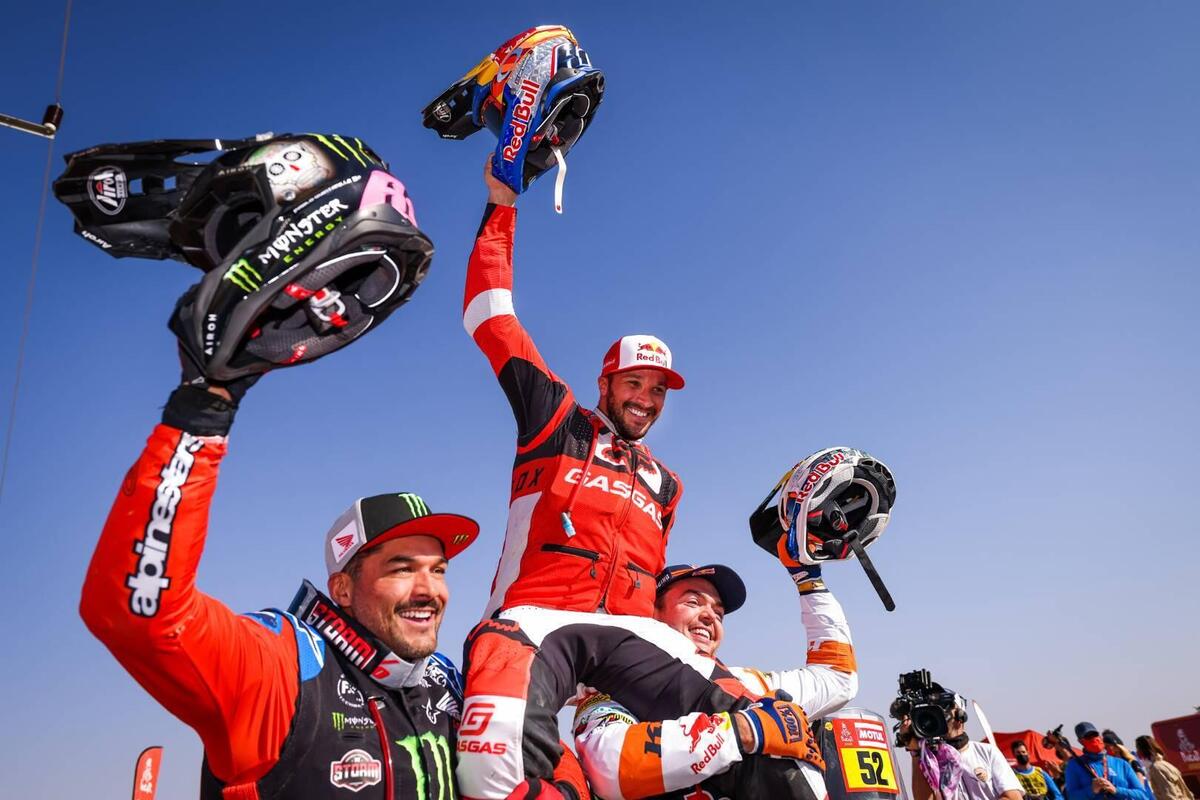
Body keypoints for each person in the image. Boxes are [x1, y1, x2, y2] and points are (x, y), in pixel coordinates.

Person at [455, 163, 817, 799]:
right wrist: (501, 201)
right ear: (606, 383)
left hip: (634, 639)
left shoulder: (666, 484)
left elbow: (651, 581)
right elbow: (491, 317)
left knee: (782, 736)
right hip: (534, 622)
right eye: (634, 383)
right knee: (493, 766)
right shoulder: (556, 422)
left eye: (658, 390)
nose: (646, 399)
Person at [78, 364, 491, 799]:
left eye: (438, 569)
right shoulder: (285, 665)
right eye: (402, 569)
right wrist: (202, 413)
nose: (429, 590)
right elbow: (139, 613)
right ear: (343, 589)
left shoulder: (448, 683)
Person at [572, 559, 857, 799]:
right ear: (653, 613)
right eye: (693, 602)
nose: (710, 616)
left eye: (719, 613)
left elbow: (838, 678)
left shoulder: (745, 682)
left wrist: (808, 580)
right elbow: (610, 764)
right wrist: (742, 730)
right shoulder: (615, 684)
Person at [901, 690, 1023, 800]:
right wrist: (915, 751)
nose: (938, 714)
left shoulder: (987, 752)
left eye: (945, 707)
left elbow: (1014, 797)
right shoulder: (930, 760)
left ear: (960, 717)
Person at [1063, 723, 1152, 800]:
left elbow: (1142, 795)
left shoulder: (1121, 764)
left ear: (1100, 736)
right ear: (1081, 741)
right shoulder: (1074, 765)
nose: (1094, 739)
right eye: (1088, 737)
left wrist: (1116, 790)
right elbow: (1071, 797)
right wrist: (1091, 790)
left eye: (1095, 735)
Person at [1136, 735, 1196, 800]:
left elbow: (1169, 795)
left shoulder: (1156, 769)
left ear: (1142, 750)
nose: (1137, 752)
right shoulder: (1165, 764)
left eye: (1137, 748)